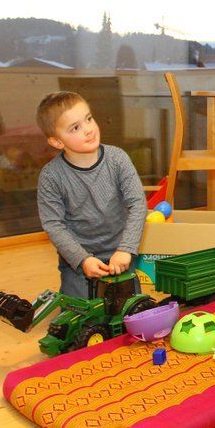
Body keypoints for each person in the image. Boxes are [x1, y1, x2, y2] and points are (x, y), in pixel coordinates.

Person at [36, 91, 147, 298]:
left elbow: (138, 204)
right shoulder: (51, 176)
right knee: (78, 312)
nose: (88, 129)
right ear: (57, 142)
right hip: (79, 263)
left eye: (88, 119)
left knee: (129, 310)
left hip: (120, 255)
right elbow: (53, 224)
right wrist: (82, 259)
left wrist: (126, 249)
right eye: (75, 128)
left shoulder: (117, 159)